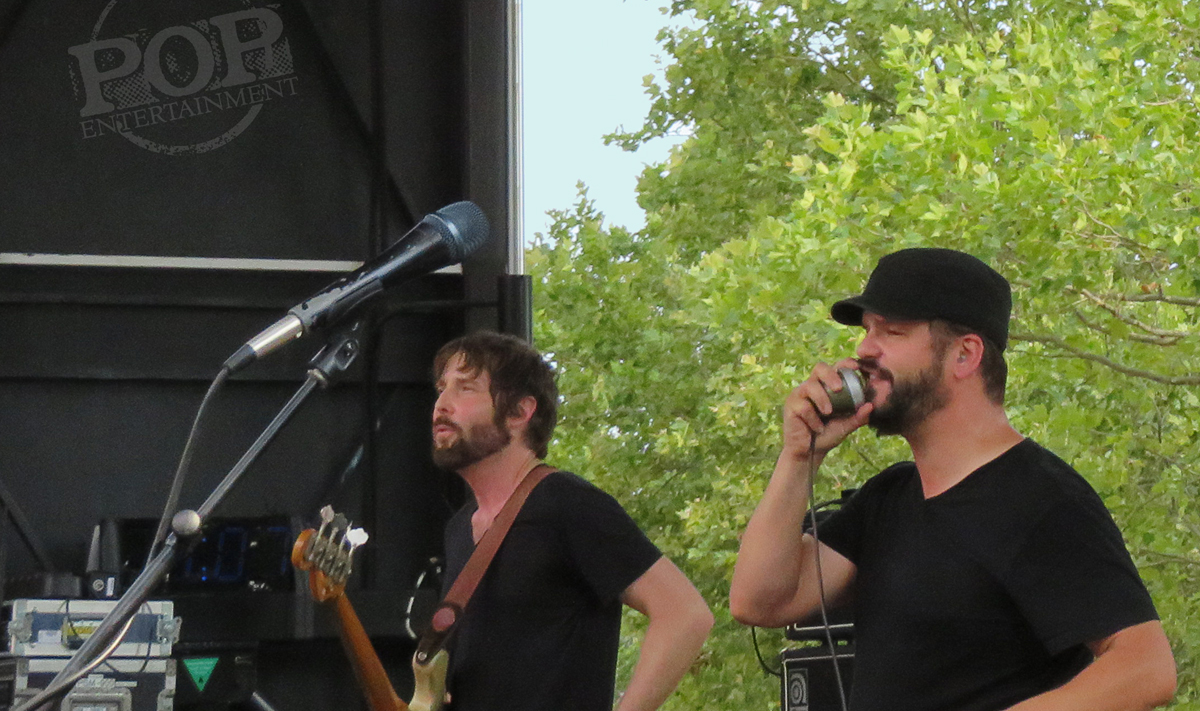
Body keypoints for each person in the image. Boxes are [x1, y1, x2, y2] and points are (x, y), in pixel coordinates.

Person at [729, 248, 1177, 711]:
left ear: (965, 355)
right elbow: (758, 602)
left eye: (892, 331)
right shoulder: (888, 498)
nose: (864, 350)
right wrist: (800, 456)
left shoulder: (1041, 499)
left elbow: (1146, 667)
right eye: (867, 331)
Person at [430, 331, 712, 711]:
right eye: (442, 388)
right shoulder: (459, 529)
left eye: (465, 388)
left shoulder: (567, 504)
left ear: (519, 412)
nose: (442, 404)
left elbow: (685, 613)